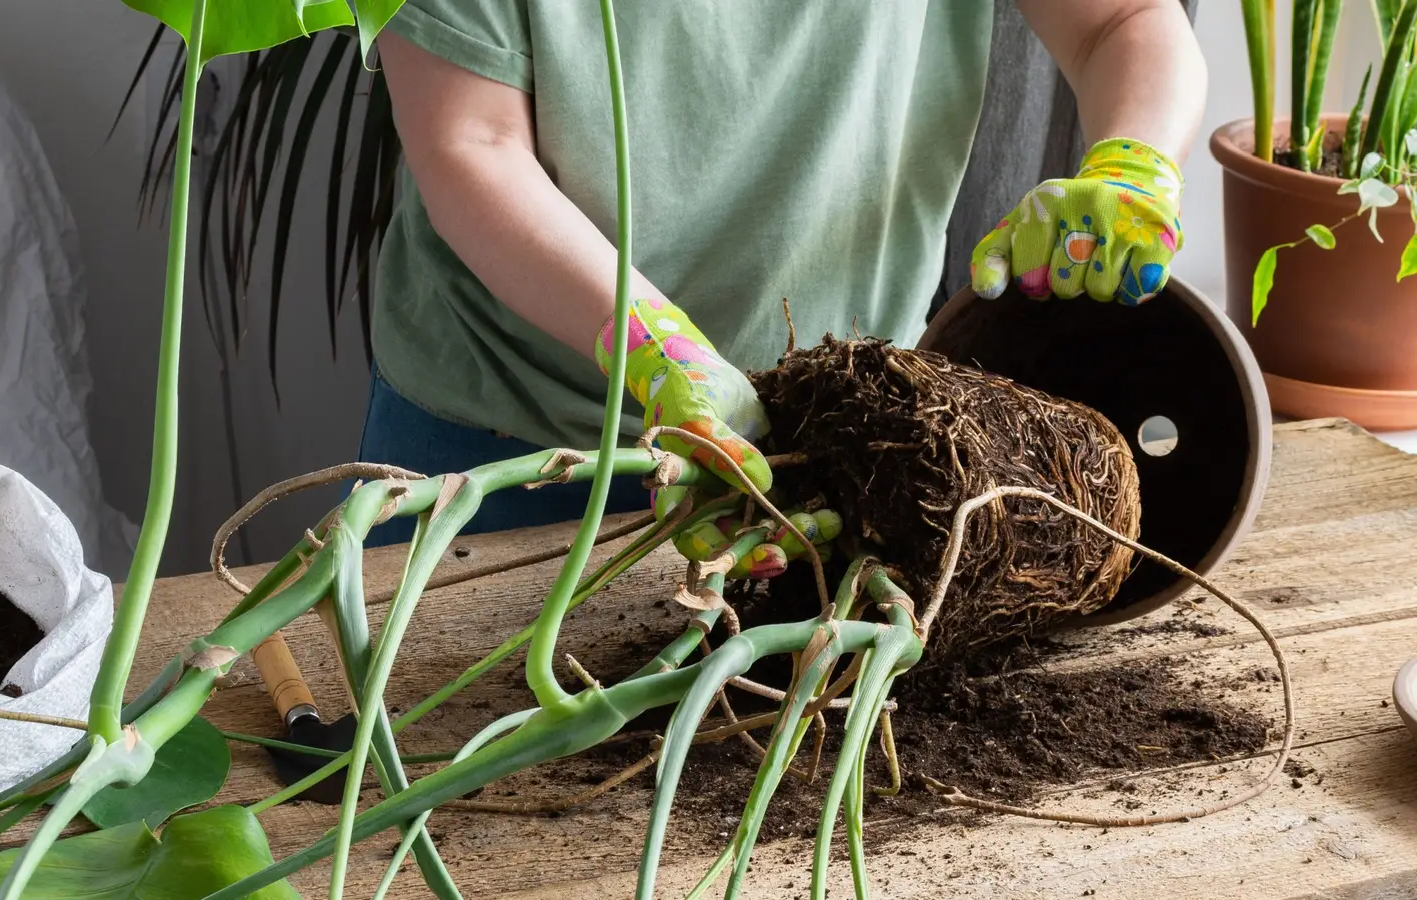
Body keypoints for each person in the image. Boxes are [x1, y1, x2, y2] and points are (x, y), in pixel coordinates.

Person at [356, 1, 1207, 551]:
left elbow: (1121, 19)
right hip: (513, 433)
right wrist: (660, 353)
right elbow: (474, 144)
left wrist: (1132, 165)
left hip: (836, 432)